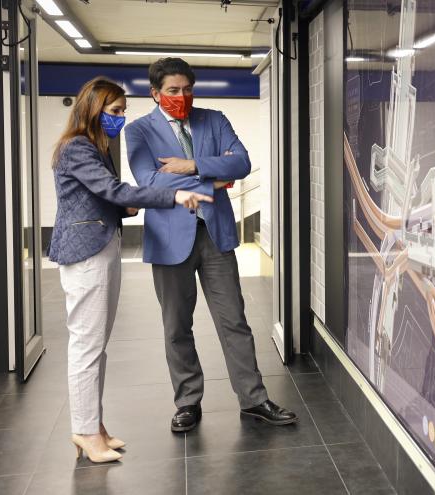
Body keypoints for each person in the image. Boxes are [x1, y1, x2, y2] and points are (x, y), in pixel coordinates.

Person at [125, 58, 296, 433]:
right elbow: (148, 183)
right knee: (176, 325)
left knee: (234, 319)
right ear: (155, 93)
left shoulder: (214, 119)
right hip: (170, 240)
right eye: (172, 90)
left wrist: (190, 167)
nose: (181, 96)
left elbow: (242, 164)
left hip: (215, 235)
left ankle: (254, 399)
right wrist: (211, 182)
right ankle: (187, 402)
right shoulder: (138, 131)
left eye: (187, 89)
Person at [49, 77, 213, 463]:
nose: (120, 119)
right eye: (115, 112)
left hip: (103, 245)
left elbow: (105, 194)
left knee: (96, 346)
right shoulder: (76, 148)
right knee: (87, 346)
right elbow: (113, 190)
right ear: (93, 109)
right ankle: (86, 431)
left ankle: (95, 426)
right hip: (86, 251)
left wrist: (121, 205)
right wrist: (172, 194)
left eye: (123, 112)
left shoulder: (94, 146)